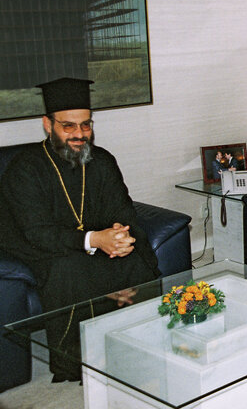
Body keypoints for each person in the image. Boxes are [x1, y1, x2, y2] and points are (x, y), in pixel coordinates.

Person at [0, 77, 160, 382]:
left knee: (135, 257)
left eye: (86, 125)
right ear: (48, 125)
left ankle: (139, 345)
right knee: (69, 268)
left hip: (92, 242)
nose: (79, 134)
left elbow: (124, 210)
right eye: (69, 126)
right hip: (39, 246)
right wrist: (94, 240)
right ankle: (75, 361)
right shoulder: (26, 167)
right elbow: (37, 232)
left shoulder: (102, 160)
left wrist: (120, 235)